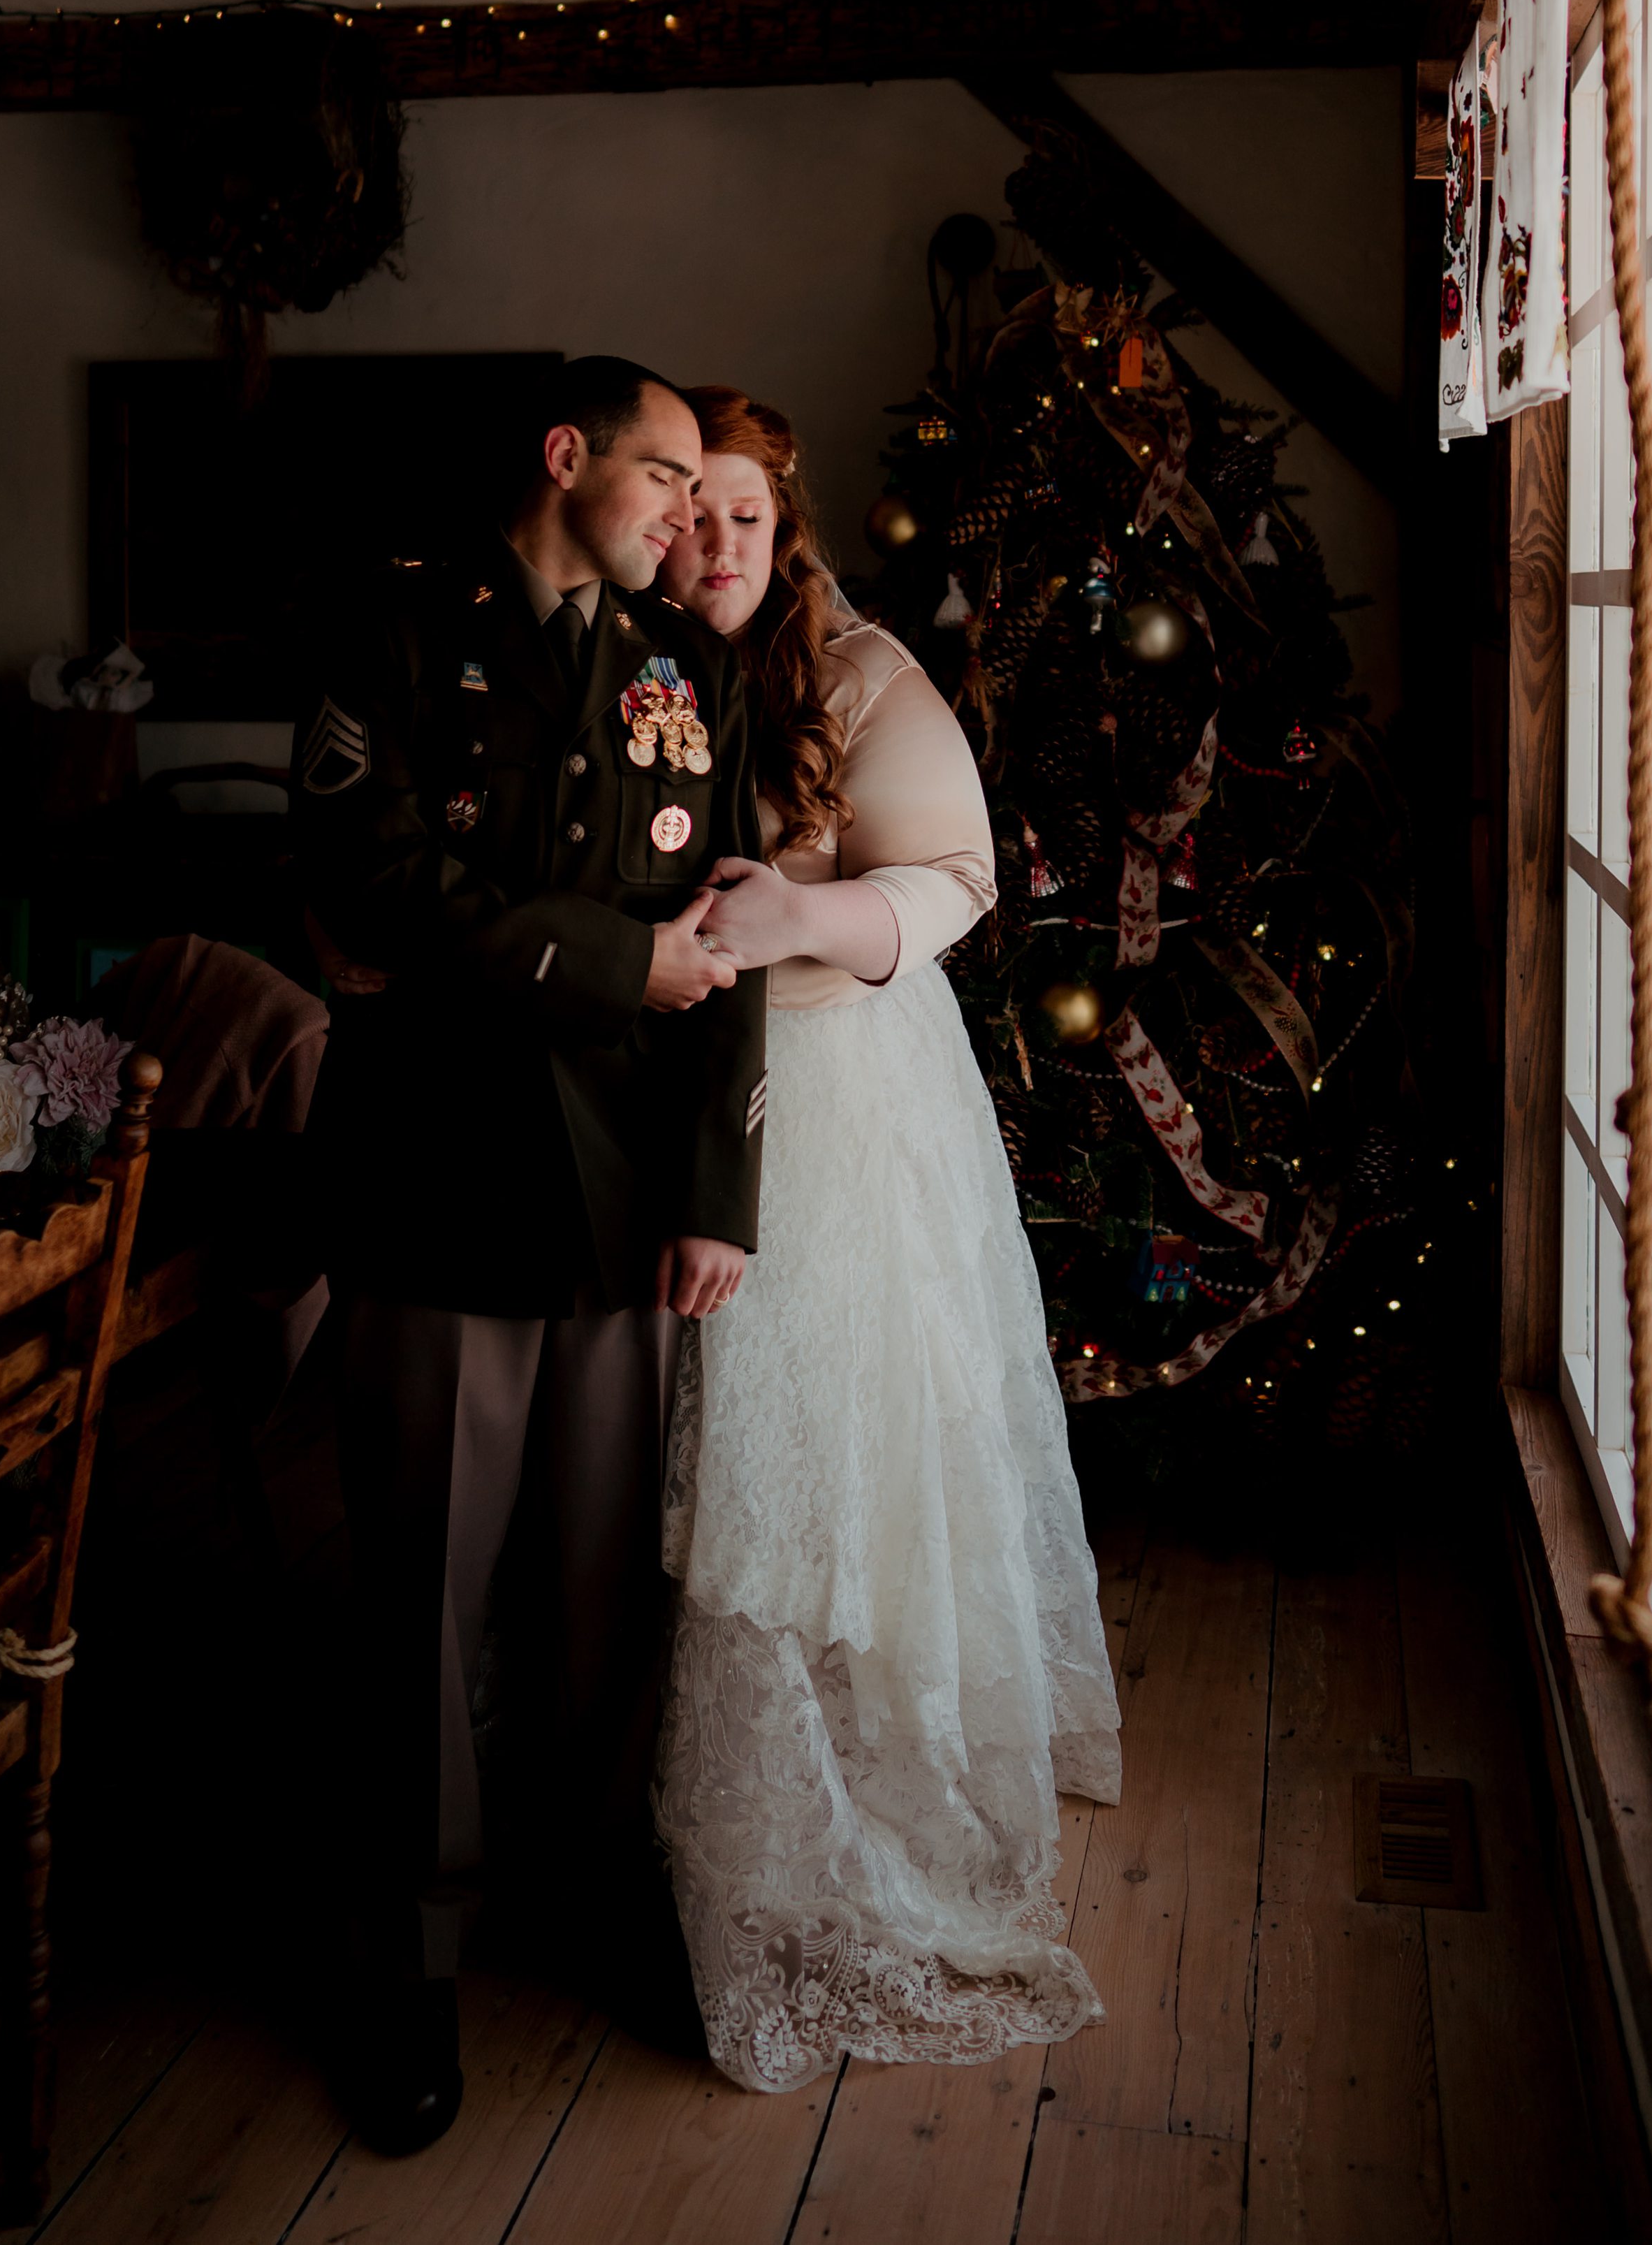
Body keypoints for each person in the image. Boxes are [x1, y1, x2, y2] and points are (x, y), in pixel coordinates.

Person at [291, 358, 766, 2151]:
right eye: (661, 476)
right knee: (421, 1600)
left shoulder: (678, 670)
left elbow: (728, 941)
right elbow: (378, 881)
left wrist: (720, 1186)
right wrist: (605, 962)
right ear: (568, 461)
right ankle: (408, 1964)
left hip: (626, 1198)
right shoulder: (398, 636)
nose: (683, 514)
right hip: (438, 1181)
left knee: (600, 1593)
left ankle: (585, 1904)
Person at [653, 388, 1120, 2093]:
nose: (713, 545)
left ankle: (826, 1803)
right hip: (659, 1098)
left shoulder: (851, 672)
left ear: (791, 529)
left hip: (836, 1092)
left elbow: (961, 876)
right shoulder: (613, 656)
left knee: (828, 1462)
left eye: (745, 519)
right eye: (686, 510)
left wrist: (811, 914)